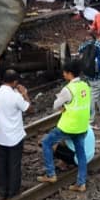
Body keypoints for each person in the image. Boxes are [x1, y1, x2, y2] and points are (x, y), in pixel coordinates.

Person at [38, 61, 91, 191]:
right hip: (82, 125)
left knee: (46, 143)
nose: (63, 74)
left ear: (69, 74)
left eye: (65, 72)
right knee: (81, 153)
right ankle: (81, 183)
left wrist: (62, 108)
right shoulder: (85, 85)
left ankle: (50, 174)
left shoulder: (68, 89)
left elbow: (56, 105)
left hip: (68, 126)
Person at [0, 69, 31, 199]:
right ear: (15, 82)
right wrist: (25, 94)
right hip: (15, 136)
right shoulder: (16, 96)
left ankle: (2, 189)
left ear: (3, 80)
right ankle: (13, 192)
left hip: (0, 136)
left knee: (2, 163)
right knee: (14, 164)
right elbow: (30, 109)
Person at [78, 28, 100, 126]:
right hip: (97, 76)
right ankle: (90, 120)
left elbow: (79, 49)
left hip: (87, 74)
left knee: (99, 95)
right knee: (93, 97)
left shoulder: (89, 43)